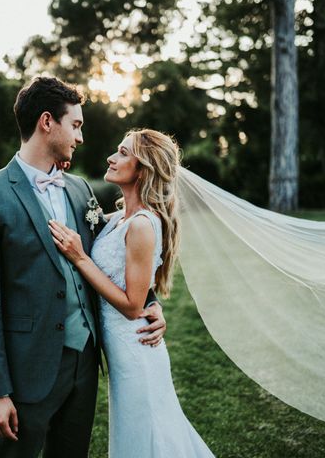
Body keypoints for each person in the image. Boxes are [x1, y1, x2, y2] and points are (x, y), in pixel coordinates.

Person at [0, 77, 167, 458]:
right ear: (46, 122)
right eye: (76, 124)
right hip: (28, 369)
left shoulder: (80, 189)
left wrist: (150, 304)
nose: (81, 137)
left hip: (85, 364)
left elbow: (120, 250)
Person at [48, 129, 215, 457]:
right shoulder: (116, 219)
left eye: (123, 153)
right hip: (122, 350)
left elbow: (131, 304)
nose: (112, 157)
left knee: (150, 434)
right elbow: (141, 292)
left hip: (136, 352)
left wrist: (80, 257)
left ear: (143, 169)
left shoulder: (141, 224)